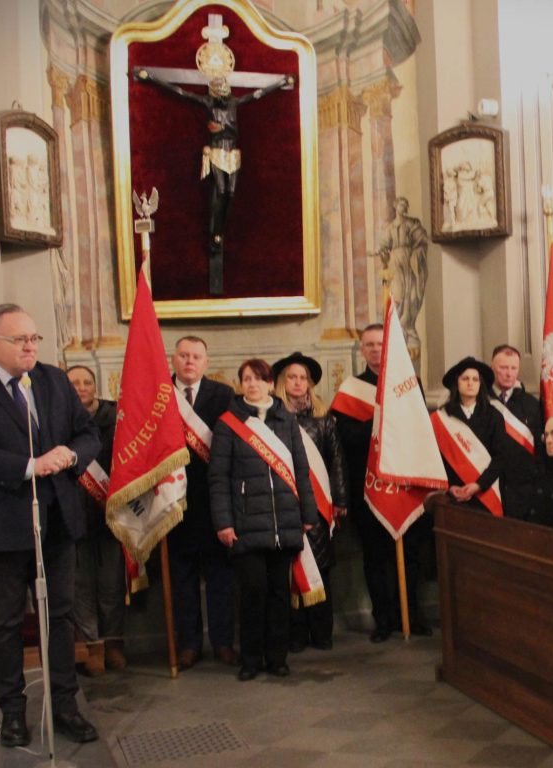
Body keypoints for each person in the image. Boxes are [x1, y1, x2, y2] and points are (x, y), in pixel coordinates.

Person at [0, 304, 101, 746]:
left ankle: (65, 706)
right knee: (6, 621)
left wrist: (71, 454)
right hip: (4, 521)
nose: (30, 347)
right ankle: (12, 713)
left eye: (34, 339)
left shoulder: (52, 380)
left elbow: (88, 433)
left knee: (60, 615)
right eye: (20, 340)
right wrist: (30, 466)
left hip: (58, 520)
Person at [132, 67, 292, 294]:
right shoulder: (208, 103)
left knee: (231, 193)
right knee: (220, 190)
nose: (222, 92)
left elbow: (257, 94)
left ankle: (220, 231)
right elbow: (181, 92)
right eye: (218, 89)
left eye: (224, 88)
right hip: (216, 152)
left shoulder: (235, 103)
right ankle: (215, 234)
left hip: (232, 154)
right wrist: (151, 77)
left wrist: (281, 82)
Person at [210, 359, 318, 681]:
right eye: (247, 379)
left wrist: (308, 515)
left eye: (259, 379)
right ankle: (251, 659)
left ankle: (277, 657)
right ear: (240, 384)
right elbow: (218, 478)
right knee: (253, 592)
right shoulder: (229, 424)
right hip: (246, 524)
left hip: (284, 521)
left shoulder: (287, 420)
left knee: (279, 593)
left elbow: (301, 470)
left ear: (271, 384)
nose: (253, 384)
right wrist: (224, 523)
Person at [333, 325, 430, 642]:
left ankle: (411, 615)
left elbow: (421, 431)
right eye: (370, 345)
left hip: (405, 488)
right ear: (362, 350)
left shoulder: (408, 386)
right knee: (376, 558)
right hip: (369, 488)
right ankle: (384, 620)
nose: (376, 349)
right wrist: (380, 425)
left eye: (381, 344)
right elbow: (345, 438)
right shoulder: (351, 389)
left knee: (411, 556)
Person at [167, 336, 237, 670]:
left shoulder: (223, 395)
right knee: (182, 582)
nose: (189, 361)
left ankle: (223, 642)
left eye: (196, 356)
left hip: (214, 504)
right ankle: (189, 645)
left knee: (220, 579)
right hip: (172, 504)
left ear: (206, 362)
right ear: (173, 359)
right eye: (184, 355)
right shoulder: (160, 395)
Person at [272, 352, 348, 652]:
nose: (297, 382)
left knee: (320, 567)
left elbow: (336, 462)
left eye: (303, 378)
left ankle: (322, 631)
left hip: (317, 506)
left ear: (310, 384)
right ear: (282, 382)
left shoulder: (323, 420)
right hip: (284, 505)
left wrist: (340, 499)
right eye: (292, 377)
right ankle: (296, 633)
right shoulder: (272, 420)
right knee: (291, 571)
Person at [67, 364, 126, 676]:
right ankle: (93, 647)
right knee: (81, 587)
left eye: (86, 382)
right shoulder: (58, 421)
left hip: (110, 513)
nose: (81, 388)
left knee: (111, 585)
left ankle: (114, 642)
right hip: (74, 515)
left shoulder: (116, 418)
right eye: (74, 383)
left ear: (95, 386)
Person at [433, 357, 509, 515]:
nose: (470, 383)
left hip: (485, 494)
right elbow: (436, 458)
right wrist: (450, 486)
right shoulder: (442, 417)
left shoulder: (494, 416)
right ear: (457, 382)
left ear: (480, 384)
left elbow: (501, 457)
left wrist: (478, 485)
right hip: (452, 497)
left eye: (475, 379)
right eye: (465, 379)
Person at [490, 344, 543, 520]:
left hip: (523, 488)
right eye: (503, 368)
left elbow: (539, 446)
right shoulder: (482, 401)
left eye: (513, 368)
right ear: (492, 367)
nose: (509, 373)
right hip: (490, 484)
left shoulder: (531, 404)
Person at [371, 197, 429, 354]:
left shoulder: (412, 224)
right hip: (395, 261)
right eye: (401, 205)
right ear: (395, 206)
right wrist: (378, 251)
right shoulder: (390, 227)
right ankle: (397, 327)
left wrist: (416, 253)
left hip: (409, 260)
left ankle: (407, 326)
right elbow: (383, 244)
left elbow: (422, 239)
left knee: (411, 294)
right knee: (398, 292)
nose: (403, 207)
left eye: (405, 205)